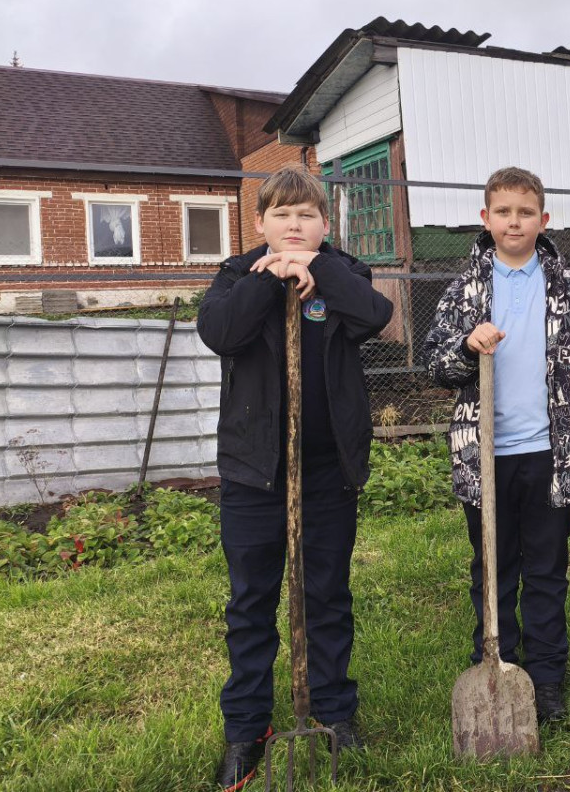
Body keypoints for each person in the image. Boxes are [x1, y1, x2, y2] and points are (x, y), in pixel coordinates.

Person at [198, 165, 393, 791]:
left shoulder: (345, 274)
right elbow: (220, 333)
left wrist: (319, 270)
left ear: (325, 224)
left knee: (327, 597)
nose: (293, 225)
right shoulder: (234, 277)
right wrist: (270, 278)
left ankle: (335, 714)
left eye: (306, 215)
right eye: (281, 215)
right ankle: (246, 728)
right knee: (252, 603)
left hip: (327, 470)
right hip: (255, 473)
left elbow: (374, 315)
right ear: (259, 224)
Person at [422, 166, 570, 724]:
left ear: (543, 220)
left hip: (552, 456)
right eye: (503, 212)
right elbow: (436, 363)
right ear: (485, 219)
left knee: (548, 569)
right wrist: (465, 343)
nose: (514, 221)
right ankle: (497, 661)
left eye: (525, 212)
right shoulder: (464, 290)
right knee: (493, 565)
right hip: (484, 457)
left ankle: (547, 677)